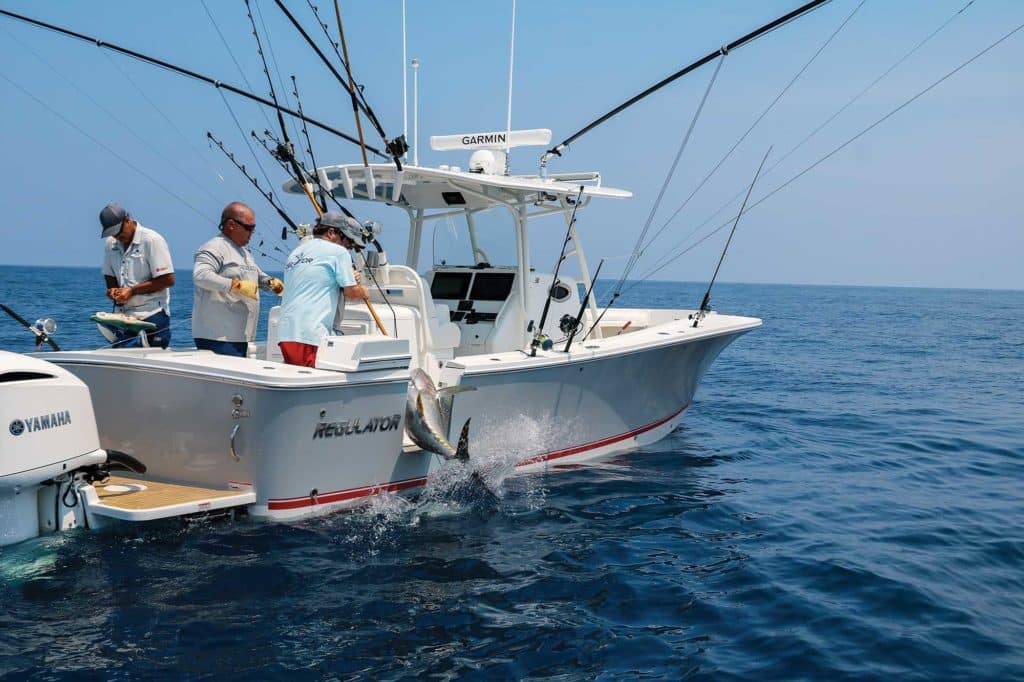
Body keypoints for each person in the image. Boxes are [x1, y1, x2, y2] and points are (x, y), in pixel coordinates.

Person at [192, 202, 284, 357]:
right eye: (248, 227)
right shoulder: (213, 247)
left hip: (240, 336)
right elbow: (201, 275)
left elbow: (256, 275)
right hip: (218, 336)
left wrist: (269, 282)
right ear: (231, 225)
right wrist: (235, 285)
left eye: (253, 228)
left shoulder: (244, 252)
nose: (252, 232)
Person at [277, 211, 369, 367]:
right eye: (348, 241)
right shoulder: (338, 252)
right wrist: (364, 290)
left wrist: (348, 278)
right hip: (310, 335)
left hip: (286, 334)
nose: (349, 247)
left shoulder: (296, 252)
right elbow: (352, 293)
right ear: (332, 233)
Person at [99, 202, 175, 348]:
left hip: (152, 315)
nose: (117, 237)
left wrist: (132, 291)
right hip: (123, 317)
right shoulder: (111, 244)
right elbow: (109, 276)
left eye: (119, 232)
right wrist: (113, 291)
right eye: (112, 233)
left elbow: (168, 280)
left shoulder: (152, 240)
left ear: (127, 220)